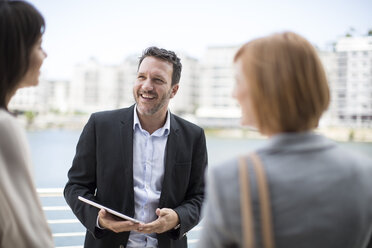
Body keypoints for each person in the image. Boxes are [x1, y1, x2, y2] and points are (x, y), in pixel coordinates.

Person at [198, 32, 372, 248]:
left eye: (238, 81)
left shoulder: (232, 178)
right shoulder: (364, 172)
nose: (234, 94)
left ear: (265, 90)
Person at [64, 46, 208, 248]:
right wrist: (100, 219)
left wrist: (177, 217)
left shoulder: (193, 136)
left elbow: (201, 196)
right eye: (141, 77)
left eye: (157, 80)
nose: (146, 86)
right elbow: (75, 187)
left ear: (174, 90)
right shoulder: (100, 125)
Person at [0, 1, 53, 247]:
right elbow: (29, 236)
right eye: (39, 45)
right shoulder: (6, 127)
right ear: (15, 51)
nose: (45, 55)